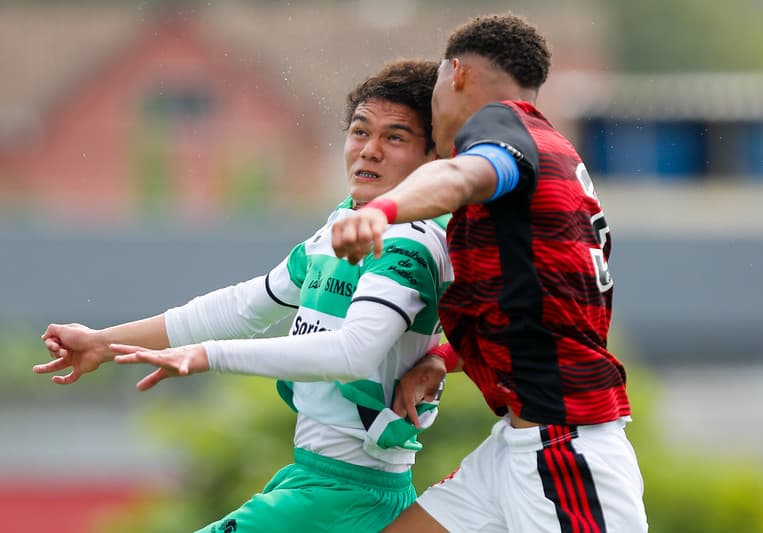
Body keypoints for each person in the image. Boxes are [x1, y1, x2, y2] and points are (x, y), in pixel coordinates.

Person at [33, 59, 453, 533]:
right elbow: (242, 307)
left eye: (395, 138)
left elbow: (353, 353)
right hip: (313, 481)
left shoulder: (410, 242)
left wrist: (210, 356)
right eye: (360, 132)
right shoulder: (342, 225)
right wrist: (102, 342)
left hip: (349, 495)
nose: (369, 151)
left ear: (431, 159)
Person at [331, 14, 648, 533]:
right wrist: (440, 358)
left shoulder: (500, 128)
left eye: (434, 85)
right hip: (516, 448)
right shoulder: (550, 155)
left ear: (455, 74)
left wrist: (379, 212)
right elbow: (531, 307)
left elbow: (460, 173)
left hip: (564, 451)